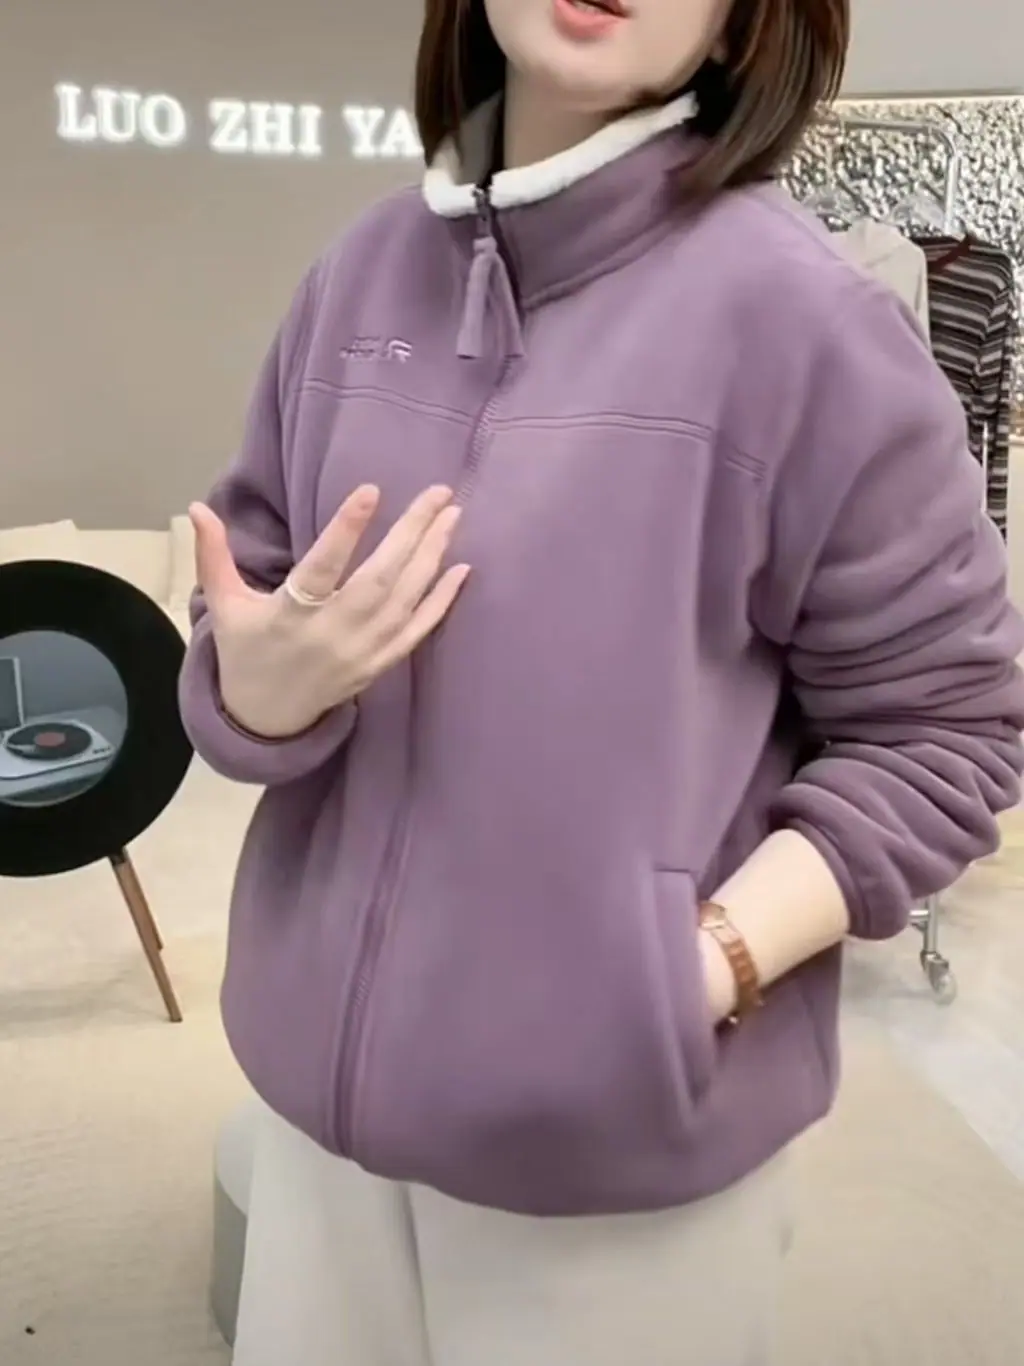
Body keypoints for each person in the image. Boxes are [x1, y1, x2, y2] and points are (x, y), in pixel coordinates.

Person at [179, 0, 1024, 1361]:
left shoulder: (807, 321)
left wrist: (700, 967)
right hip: (319, 1119)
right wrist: (261, 688)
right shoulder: (357, 277)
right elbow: (245, 603)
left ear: (744, 23)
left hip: (609, 1158)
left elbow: (950, 729)